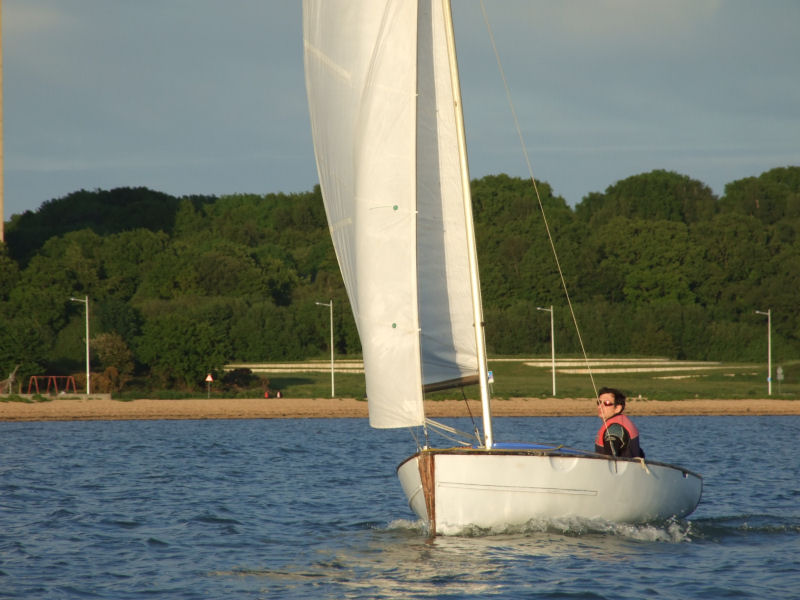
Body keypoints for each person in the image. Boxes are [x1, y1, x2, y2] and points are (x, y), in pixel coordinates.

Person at [594, 387, 645, 458]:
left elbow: (610, 460)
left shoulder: (614, 429)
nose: (600, 406)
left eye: (607, 403)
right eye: (599, 402)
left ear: (617, 408)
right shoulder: (622, 422)